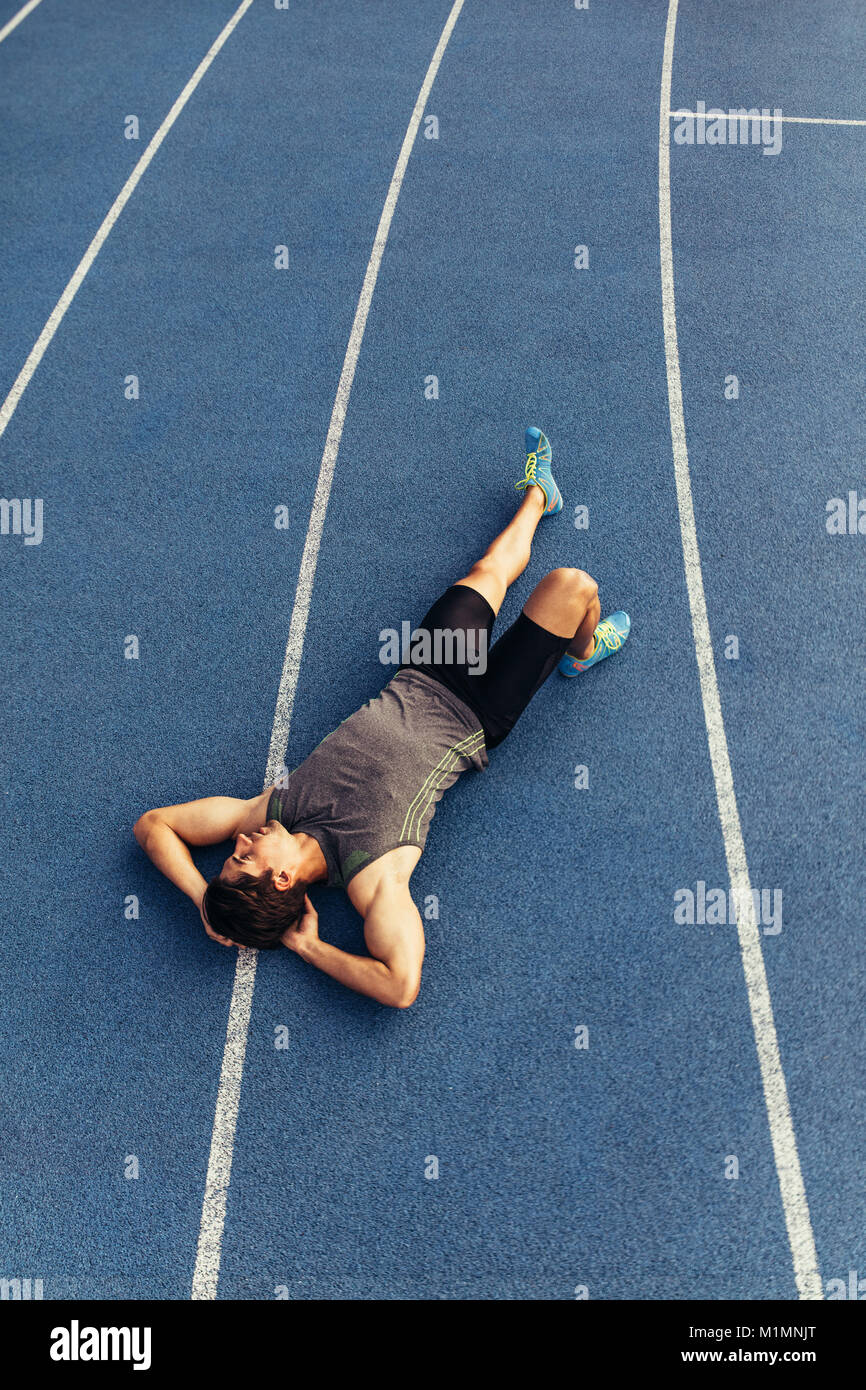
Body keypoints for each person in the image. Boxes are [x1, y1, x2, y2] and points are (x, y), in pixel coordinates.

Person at [134, 428, 630, 1007]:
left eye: (233, 852)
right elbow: (400, 987)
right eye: (244, 860)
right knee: (573, 586)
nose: (240, 841)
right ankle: (583, 650)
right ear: (284, 880)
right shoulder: (374, 878)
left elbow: (153, 825)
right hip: (478, 712)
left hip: (425, 672)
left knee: (490, 568)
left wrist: (203, 901)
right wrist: (310, 948)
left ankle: (540, 494)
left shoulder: (271, 810)